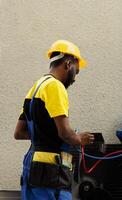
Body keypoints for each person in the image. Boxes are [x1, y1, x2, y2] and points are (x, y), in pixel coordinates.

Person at [14, 40, 95, 200]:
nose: (75, 78)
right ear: (68, 64)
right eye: (76, 71)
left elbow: (19, 132)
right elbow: (65, 134)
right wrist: (80, 139)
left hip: (32, 168)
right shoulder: (56, 87)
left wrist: (46, 134)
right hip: (51, 173)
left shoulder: (35, 87)